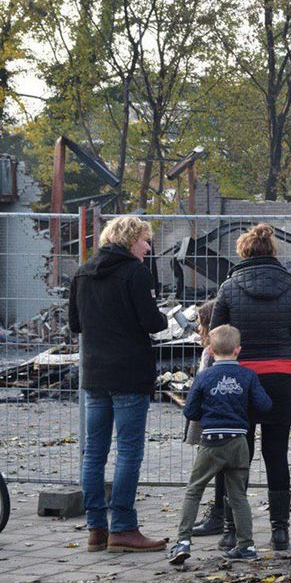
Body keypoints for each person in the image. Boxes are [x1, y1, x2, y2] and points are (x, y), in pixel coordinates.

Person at [68, 215, 169, 552]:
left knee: (93, 453)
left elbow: (75, 324)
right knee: (128, 451)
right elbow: (152, 322)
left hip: (94, 373)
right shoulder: (135, 273)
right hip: (129, 373)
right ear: (130, 239)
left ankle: (96, 528)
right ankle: (123, 527)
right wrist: (163, 315)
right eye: (145, 240)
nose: (148, 247)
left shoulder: (82, 273)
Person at [210, 223, 291, 550]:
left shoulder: (228, 287)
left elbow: (216, 336)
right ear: (272, 251)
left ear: (244, 251)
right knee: (276, 453)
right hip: (280, 377)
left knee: (237, 454)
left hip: (239, 378)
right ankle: (280, 531)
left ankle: (231, 530)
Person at [169, 325, 272, 565]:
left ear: (211, 351)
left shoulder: (204, 377)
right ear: (238, 350)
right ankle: (246, 545)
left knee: (195, 489)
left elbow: (190, 410)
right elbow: (264, 405)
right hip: (238, 441)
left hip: (211, 442)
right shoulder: (248, 376)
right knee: (238, 495)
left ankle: (183, 542)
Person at [182, 300, 230, 537]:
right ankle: (224, 514)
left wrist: (191, 413)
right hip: (226, 423)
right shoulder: (228, 353)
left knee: (204, 474)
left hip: (211, 422)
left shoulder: (210, 355)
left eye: (201, 325)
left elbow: (200, 389)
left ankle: (216, 516)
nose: (199, 330)